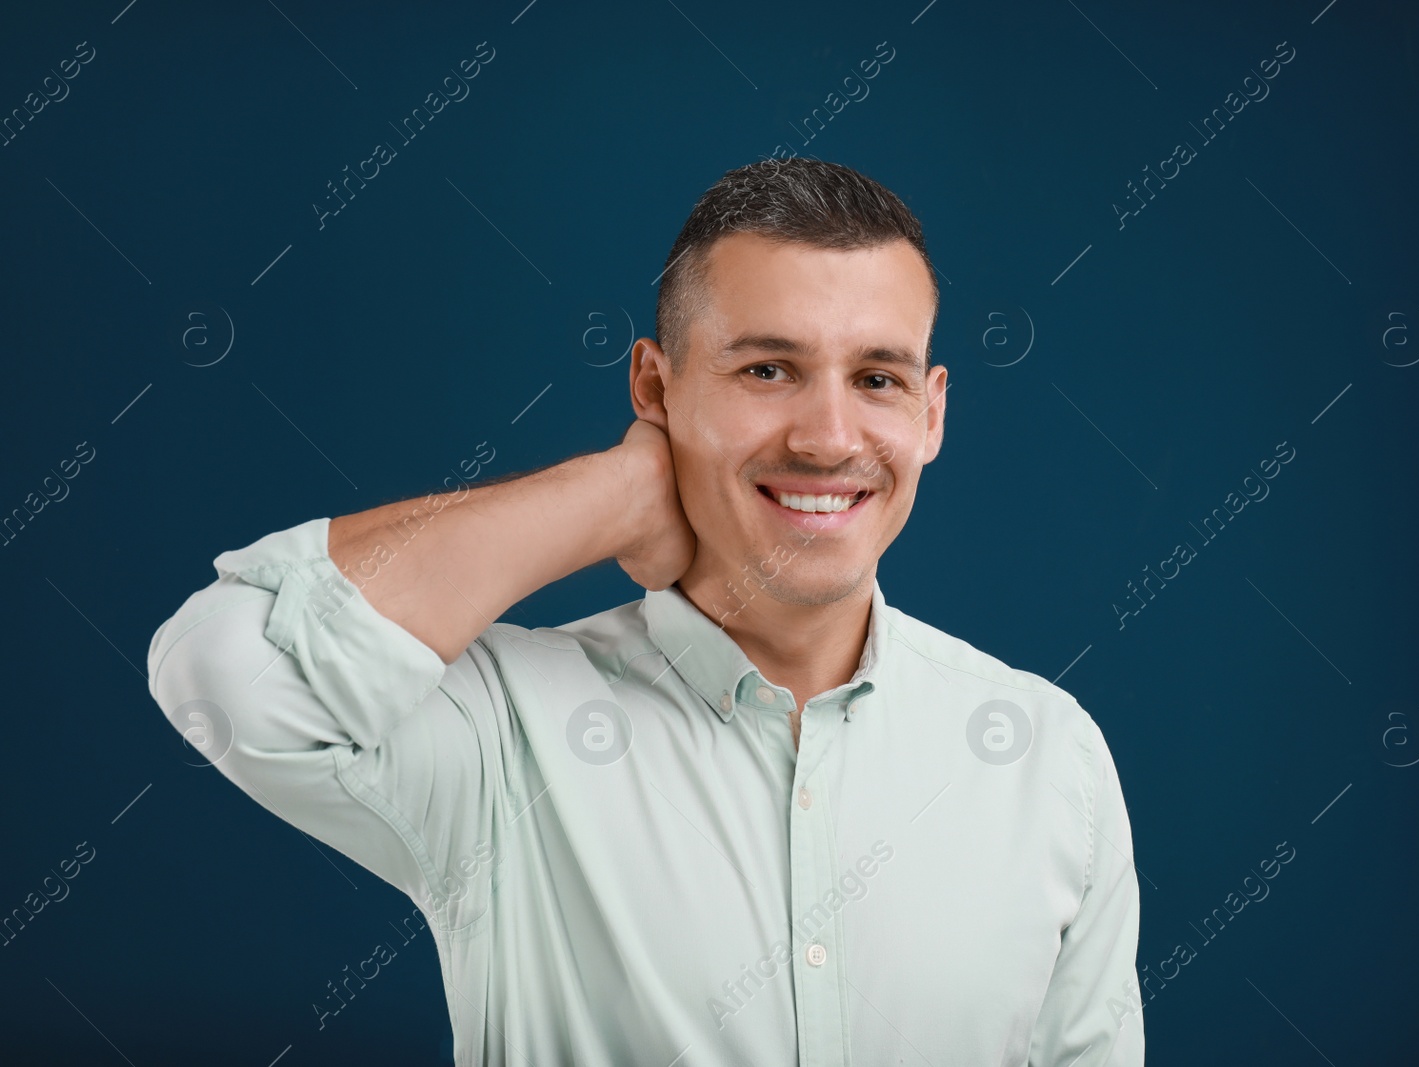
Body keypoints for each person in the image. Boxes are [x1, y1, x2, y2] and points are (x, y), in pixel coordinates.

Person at [147, 158, 1145, 1066]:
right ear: (654, 386)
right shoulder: (506, 734)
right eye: (767, 369)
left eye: (875, 378)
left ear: (930, 413)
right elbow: (224, 665)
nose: (830, 435)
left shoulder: (1047, 757)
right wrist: (617, 491)